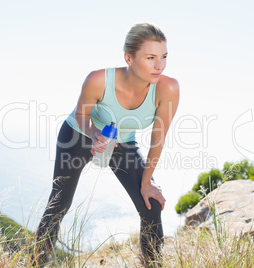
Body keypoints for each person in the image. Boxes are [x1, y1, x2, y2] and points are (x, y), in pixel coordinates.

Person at [32, 22, 179, 267]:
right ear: (129, 59)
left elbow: (158, 138)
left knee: (150, 204)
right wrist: (95, 133)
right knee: (59, 203)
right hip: (79, 134)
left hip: (123, 143)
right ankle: (36, 263)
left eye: (164, 56)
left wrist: (147, 183)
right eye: (151, 57)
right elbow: (81, 115)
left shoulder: (168, 88)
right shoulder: (98, 79)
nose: (159, 65)